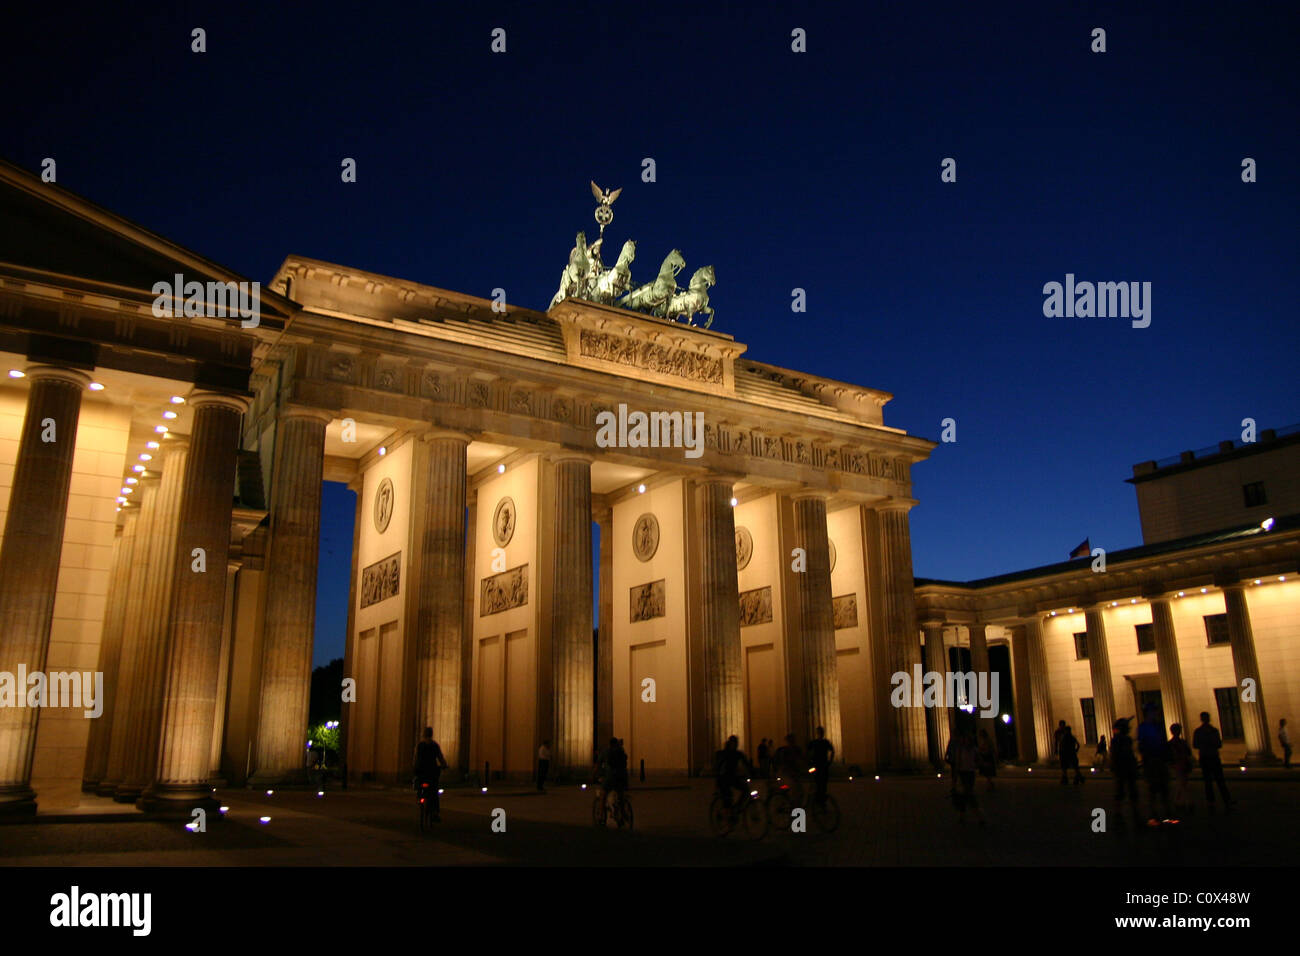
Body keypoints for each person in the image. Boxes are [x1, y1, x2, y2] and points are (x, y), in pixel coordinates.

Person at [1136, 703, 1172, 825]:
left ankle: (1165, 814)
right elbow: (1142, 745)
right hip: (1151, 761)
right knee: (1153, 789)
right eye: (1154, 712)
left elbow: (1163, 742)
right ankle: (1154, 815)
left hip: (1158, 760)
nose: (1156, 714)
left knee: (1163, 789)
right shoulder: (1145, 727)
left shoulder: (1158, 726)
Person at [1191, 712, 1233, 811]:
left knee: (1216, 780)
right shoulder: (1207, 731)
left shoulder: (1209, 731)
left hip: (1210, 757)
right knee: (1212, 781)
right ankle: (1216, 801)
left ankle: (1222, 800)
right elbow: (1196, 744)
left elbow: (1218, 744)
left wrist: (1207, 744)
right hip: (1208, 757)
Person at [944, 729, 986, 825]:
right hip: (963, 774)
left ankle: (966, 816)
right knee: (967, 795)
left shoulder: (973, 750)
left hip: (970, 774)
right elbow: (957, 763)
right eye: (965, 739)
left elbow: (979, 760)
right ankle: (978, 816)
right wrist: (955, 779)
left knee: (967, 794)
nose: (965, 740)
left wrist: (977, 765)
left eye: (967, 739)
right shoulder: (960, 750)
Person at [413, 727, 448, 822]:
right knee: (433, 791)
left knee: (419, 783)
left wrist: (415, 768)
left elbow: (416, 758)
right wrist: (444, 765)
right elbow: (440, 757)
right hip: (432, 771)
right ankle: (435, 813)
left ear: (424, 734)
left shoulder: (420, 745)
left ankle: (419, 796)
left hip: (421, 770)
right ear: (431, 734)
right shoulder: (434, 745)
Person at [1110, 718, 1140, 824]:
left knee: (1122, 790)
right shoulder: (1125, 740)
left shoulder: (1118, 740)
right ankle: (1132, 811)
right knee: (1128, 790)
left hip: (1122, 768)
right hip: (1125, 768)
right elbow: (1126, 754)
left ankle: (1119, 811)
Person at [714, 735, 754, 809]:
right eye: (734, 743)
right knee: (728, 797)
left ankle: (736, 808)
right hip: (724, 778)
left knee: (746, 790)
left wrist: (751, 771)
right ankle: (728, 813)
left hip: (732, 777)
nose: (735, 745)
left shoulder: (737, 753)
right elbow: (719, 766)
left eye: (736, 743)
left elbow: (746, 763)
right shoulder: (725, 754)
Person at [595, 736, 629, 814]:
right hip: (623, 775)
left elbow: (598, 764)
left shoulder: (606, 751)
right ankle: (623, 812)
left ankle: (601, 813)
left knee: (603, 792)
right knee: (620, 794)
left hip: (611, 776)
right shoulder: (621, 750)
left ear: (609, 744)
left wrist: (594, 775)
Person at [1169, 723, 1193, 812]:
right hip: (1178, 765)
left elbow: (1188, 753)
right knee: (1182, 784)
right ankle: (1185, 802)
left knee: (1181, 784)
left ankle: (1179, 801)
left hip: (1182, 764)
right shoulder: (1175, 743)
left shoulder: (1180, 742)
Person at [807, 726, 835, 805]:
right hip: (819, 765)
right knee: (819, 784)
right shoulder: (819, 742)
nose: (820, 734)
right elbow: (808, 752)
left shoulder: (822, 742)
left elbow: (832, 751)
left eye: (820, 732)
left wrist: (830, 761)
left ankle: (820, 801)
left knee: (822, 784)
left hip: (822, 765)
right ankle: (819, 801)